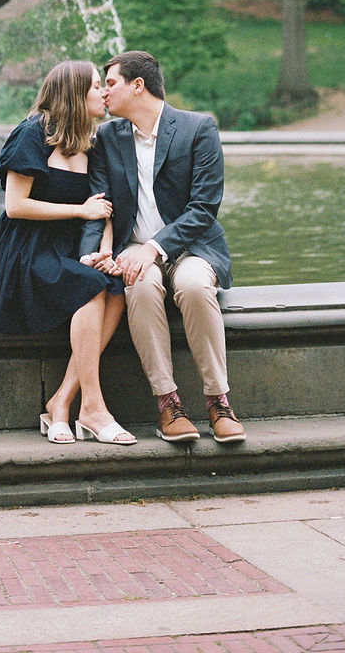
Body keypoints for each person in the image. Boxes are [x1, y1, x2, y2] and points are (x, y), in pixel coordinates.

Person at [0, 60, 135, 446]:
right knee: (90, 287)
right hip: (27, 247)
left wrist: (106, 250)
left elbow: (104, 207)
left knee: (114, 287)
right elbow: (16, 206)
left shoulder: (93, 141)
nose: (104, 92)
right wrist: (80, 211)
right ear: (74, 92)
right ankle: (93, 406)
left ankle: (61, 402)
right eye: (95, 86)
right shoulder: (33, 133)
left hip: (73, 246)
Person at [81, 50, 246, 445]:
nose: (104, 92)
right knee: (139, 283)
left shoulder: (197, 128)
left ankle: (218, 401)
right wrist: (93, 253)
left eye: (112, 83)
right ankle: (168, 403)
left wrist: (153, 248)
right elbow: (99, 202)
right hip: (133, 251)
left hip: (191, 248)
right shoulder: (108, 137)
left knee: (192, 285)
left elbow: (203, 208)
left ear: (138, 85)